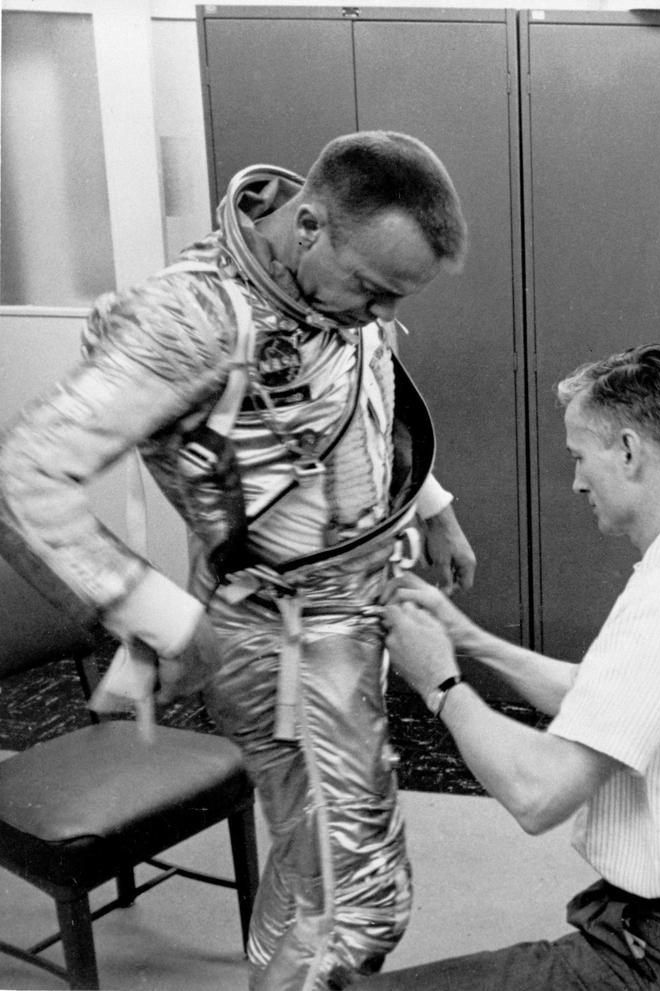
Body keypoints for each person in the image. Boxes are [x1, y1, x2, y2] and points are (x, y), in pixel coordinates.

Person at [0, 131, 477, 990]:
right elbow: (25, 478)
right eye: (371, 290)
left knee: (307, 869)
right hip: (276, 634)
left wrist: (433, 507)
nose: (377, 315)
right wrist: (163, 620)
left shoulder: (334, 286)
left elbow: (357, 390)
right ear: (306, 226)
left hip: (349, 612)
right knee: (363, 901)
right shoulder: (194, 321)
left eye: (394, 300)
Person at [353, 344, 660, 991]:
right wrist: (467, 638)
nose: (574, 481)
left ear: (627, 450)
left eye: (577, 456)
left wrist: (440, 683)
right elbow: (604, 696)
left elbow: (538, 794)